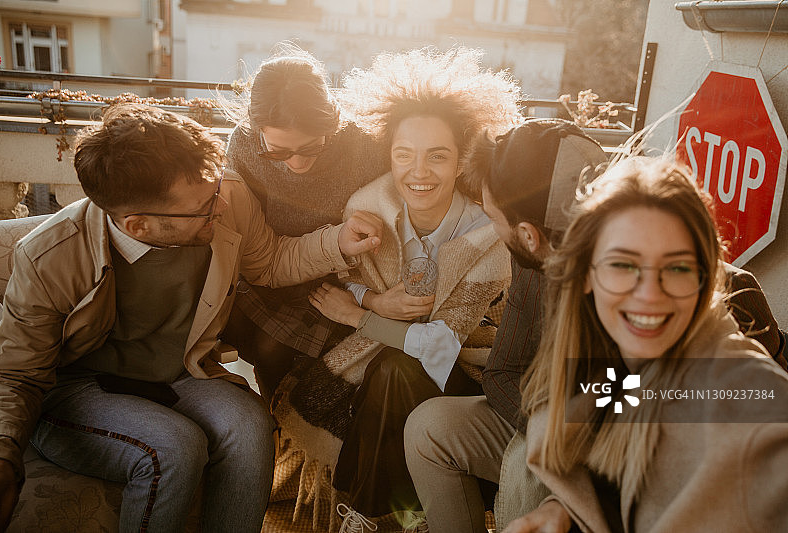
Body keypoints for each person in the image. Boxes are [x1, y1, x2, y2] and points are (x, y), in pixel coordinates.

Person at [0, 103, 382, 533]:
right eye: (203, 206)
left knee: (250, 426)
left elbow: (269, 262)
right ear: (138, 226)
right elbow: (17, 373)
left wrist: (337, 242)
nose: (220, 206)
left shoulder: (222, 193)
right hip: (81, 389)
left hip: (182, 373)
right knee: (174, 448)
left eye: (215, 190)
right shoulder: (49, 256)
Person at [270, 47, 521, 532]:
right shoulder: (369, 205)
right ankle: (405, 517)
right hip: (385, 356)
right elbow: (350, 283)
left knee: (397, 369)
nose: (418, 172)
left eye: (437, 156)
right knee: (390, 372)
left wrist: (357, 317)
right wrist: (372, 301)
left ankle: (365, 516)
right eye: (404, 154)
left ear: (462, 158)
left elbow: (443, 347)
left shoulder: (485, 234)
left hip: (470, 369)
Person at [506, 156, 788, 533]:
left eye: (677, 267)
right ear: (587, 274)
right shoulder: (616, 372)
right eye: (623, 265)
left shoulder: (744, 396)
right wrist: (566, 511)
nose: (649, 295)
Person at [404, 118, 608, 533]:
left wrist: (560, 438)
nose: (492, 228)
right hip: (545, 416)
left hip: (619, 441)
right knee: (429, 426)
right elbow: (503, 371)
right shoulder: (531, 261)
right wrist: (539, 423)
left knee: (525, 466)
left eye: (493, 216)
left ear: (529, 235)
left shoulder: (634, 282)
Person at [221, 44, 389, 402]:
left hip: (345, 277)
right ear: (256, 130)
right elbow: (250, 244)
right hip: (271, 267)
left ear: (332, 119)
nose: (296, 163)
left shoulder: (363, 146)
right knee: (254, 342)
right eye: (278, 152)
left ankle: (297, 427)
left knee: (276, 350)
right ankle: (281, 426)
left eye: (311, 147)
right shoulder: (245, 145)